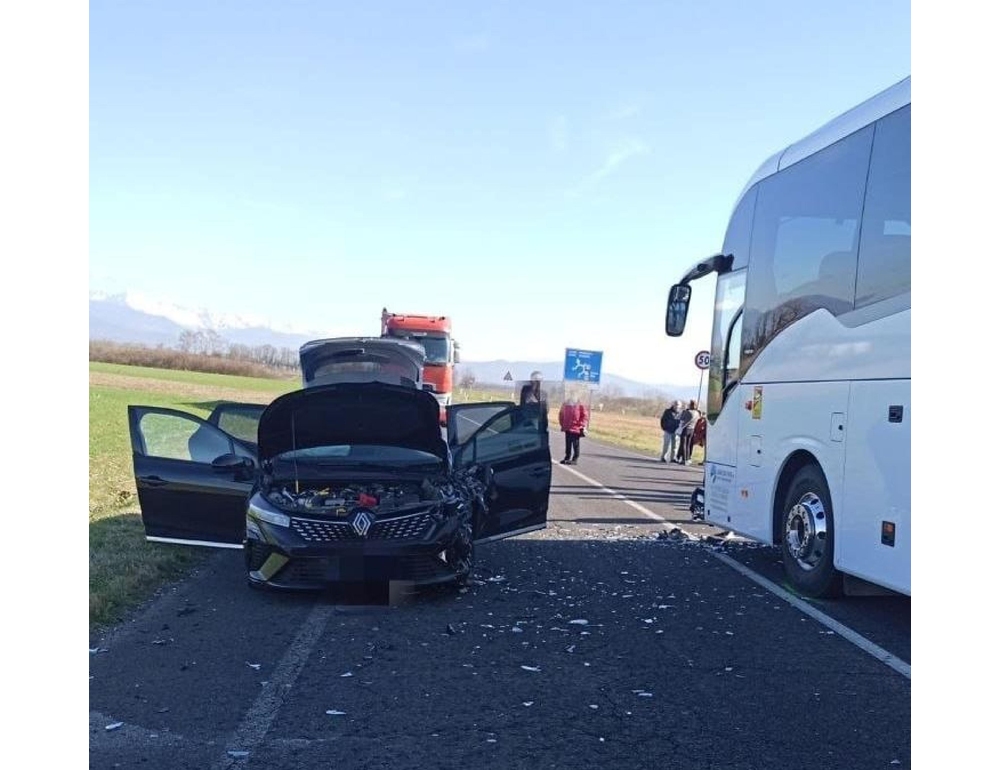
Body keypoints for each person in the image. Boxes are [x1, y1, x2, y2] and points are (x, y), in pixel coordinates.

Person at [558, 396, 589, 465]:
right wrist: (562, 423)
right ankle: (567, 457)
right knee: (568, 443)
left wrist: (582, 424)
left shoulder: (580, 404)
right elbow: (561, 413)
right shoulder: (566, 403)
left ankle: (575, 459)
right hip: (567, 427)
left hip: (576, 427)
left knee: (575, 444)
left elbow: (584, 415)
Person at [677, 399, 701, 465]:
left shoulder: (688, 412)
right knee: (688, 445)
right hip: (692, 429)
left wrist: (684, 411)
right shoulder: (697, 413)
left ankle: (684, 459)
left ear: (690, 405)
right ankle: (687, 459)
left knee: (683, 444)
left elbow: (680, 418)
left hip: (686, 429)